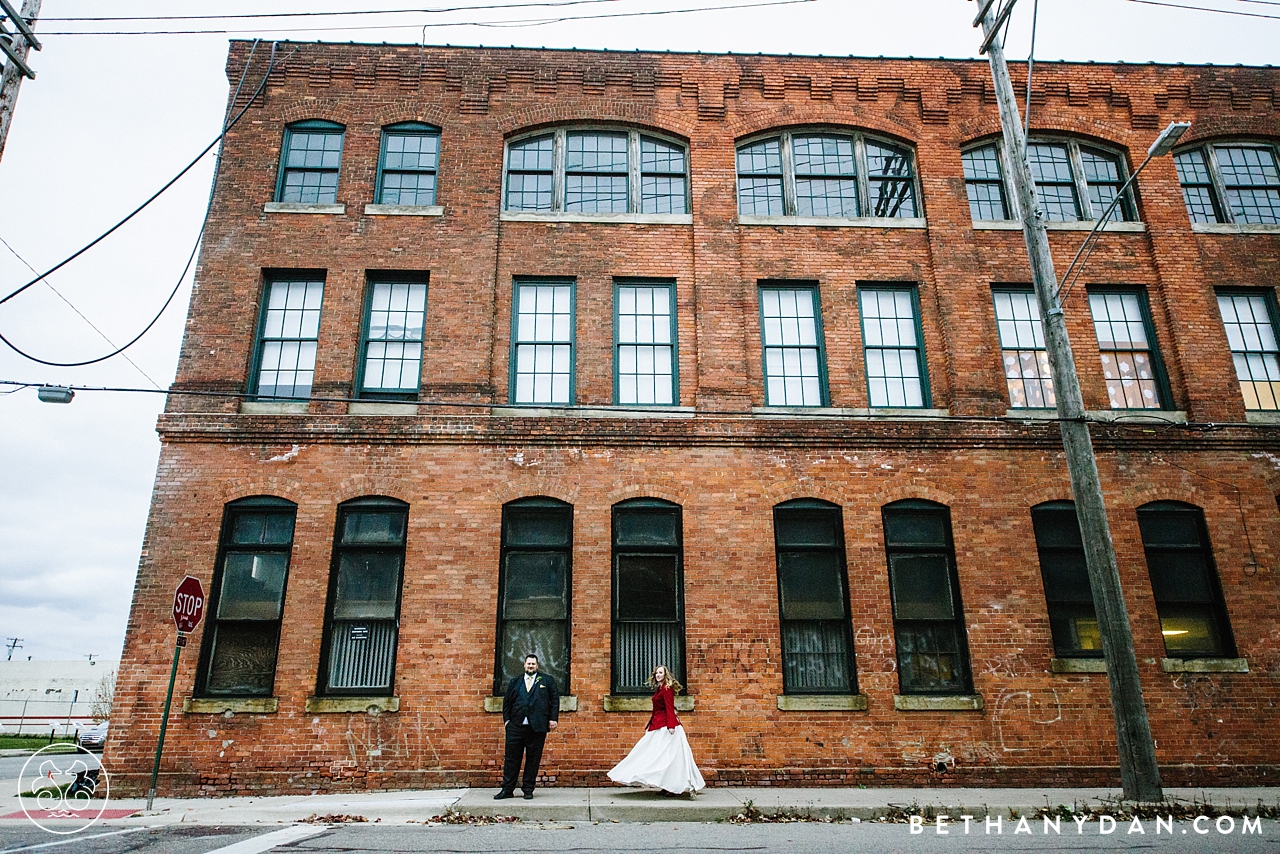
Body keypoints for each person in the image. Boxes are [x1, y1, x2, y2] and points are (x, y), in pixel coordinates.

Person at [607, 664, 705, 796]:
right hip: (658, 724)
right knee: (658, 756)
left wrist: (671, 726)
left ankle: (673, 787)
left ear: (665, 675)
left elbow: (669, 708)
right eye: (656, 673)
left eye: (660, 673)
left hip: (667, 727)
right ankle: (667, 785)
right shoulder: (660, 689)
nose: (658, 675)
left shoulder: (667, 689)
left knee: (670, 758)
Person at [495, 653, 559, 800]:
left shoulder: (547, 681)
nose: (531, 666)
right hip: (516, 727)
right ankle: (507, 789)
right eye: (528, 664)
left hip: (537, 727)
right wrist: (507, 722)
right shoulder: (514, 681)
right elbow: (507, 703)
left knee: (533, 759)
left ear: (537, 666)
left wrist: (553, 719)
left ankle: (528, 789)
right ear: (524, 665)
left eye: (533, 664)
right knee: (511, 759)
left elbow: (554, 700)